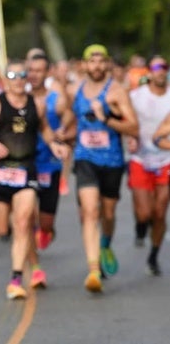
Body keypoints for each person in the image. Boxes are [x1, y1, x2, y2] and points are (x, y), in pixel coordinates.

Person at [0, 59, 69, 299]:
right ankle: (28, 253)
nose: (18, 80)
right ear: (4, 78)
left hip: (27, 170)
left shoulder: (36, 104)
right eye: (12, 75)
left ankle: (16, 278)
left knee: (22, 222)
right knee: (2, 227)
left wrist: (56, 146)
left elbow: (45, 130)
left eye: (22, 75)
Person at [66, 44, 138, 292]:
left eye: (101, 61)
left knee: (107, 214)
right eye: (91, 61)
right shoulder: (74, 90)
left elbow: (134, 128)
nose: (96, 66)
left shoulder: (116, 92)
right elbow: (69, 121)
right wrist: (59, 136)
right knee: (89, 211)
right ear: (84, 65)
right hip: (85, 158)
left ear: (107, 63)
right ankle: (94, 270)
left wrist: (107, 117)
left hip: (112, 161)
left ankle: (105, 243)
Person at [27, 53, 74, 250]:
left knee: (45, 223)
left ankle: (45, 229)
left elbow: (72, 119)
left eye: (39, 70)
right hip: (26, 164)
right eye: (31, 70)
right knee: (25, 216)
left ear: (47, 73)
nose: (34, 75)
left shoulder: (57, 99)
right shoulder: (21, 98)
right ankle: (31, 266)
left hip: (50, 165)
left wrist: (64, 132)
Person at [130, 56, 170, 275]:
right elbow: (125, 119)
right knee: (145, 213)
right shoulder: (136, 96)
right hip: (140, 159)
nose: (161, 71)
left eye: (164, 67)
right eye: (156, 67)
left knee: (160, 211)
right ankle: (140, 226)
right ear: (149, 71)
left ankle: (153, 256)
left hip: (166, 158)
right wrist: (130, 136)